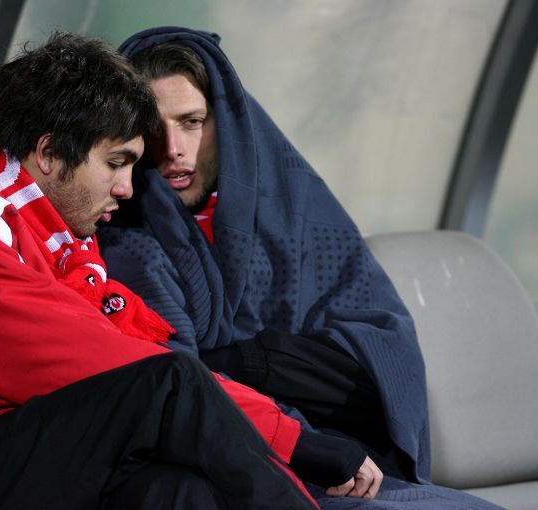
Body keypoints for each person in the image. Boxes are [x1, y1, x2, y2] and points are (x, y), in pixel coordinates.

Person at [0, 31, 372, 510]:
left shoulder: (52, 233)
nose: (127, 188)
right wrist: (291, 439)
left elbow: (127, 347)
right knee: (166, 384)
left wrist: (281, 435)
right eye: (117, 163)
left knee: (179, 494)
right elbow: (76, 357)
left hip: (12, 448)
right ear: (50, 153)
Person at [98, 26, 504, 509]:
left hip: (350, 460)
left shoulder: (297, 212)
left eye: (192, 122)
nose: (172, 148)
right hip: (232, 469)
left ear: (229, 122)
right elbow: (169, 385)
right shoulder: (118, 239)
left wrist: (249, 361)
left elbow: (384, 361)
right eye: (151, 125)